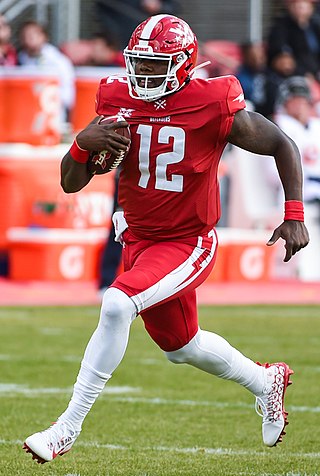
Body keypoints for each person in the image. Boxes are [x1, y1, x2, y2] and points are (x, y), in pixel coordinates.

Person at [23, 14, 309, 465]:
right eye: (140, 63)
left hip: (188, 241)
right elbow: (71, 183)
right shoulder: (119, 100)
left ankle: (67, 427)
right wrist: (82, 145)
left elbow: (282, 145)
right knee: (183, 347)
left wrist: (294, 213)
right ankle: (265, 380)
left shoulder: (212, 103)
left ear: (182, 65)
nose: (144, 74)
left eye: (156, 65)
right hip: (139, 240)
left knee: (117, 304)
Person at [270, 75, 320, 281]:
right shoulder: (279, 125)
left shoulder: (316, 126)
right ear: (285, 102)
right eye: (294, 99)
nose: (300, 105)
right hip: (296, 197)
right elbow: (273, 173)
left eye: (303, 100)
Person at [17, 21, 75, 123]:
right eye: (25, 35)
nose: (29, 38)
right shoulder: (20, 58)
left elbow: (68, 90)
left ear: (44, 36)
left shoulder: (58, 60)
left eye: (33, 34)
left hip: (51, 112)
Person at [267, 0, 320, 82]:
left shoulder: (314, 26)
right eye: (294, 5)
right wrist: (303, 73)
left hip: (315, 73)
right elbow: (282, 56)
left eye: (301, 6)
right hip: (294, 76)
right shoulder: (281, 26)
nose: (298, 9)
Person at [95, 0, 181, 49]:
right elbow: (102, 9)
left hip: (151, 39)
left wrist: (159, 6)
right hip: (115, 41)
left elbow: (173, 8)